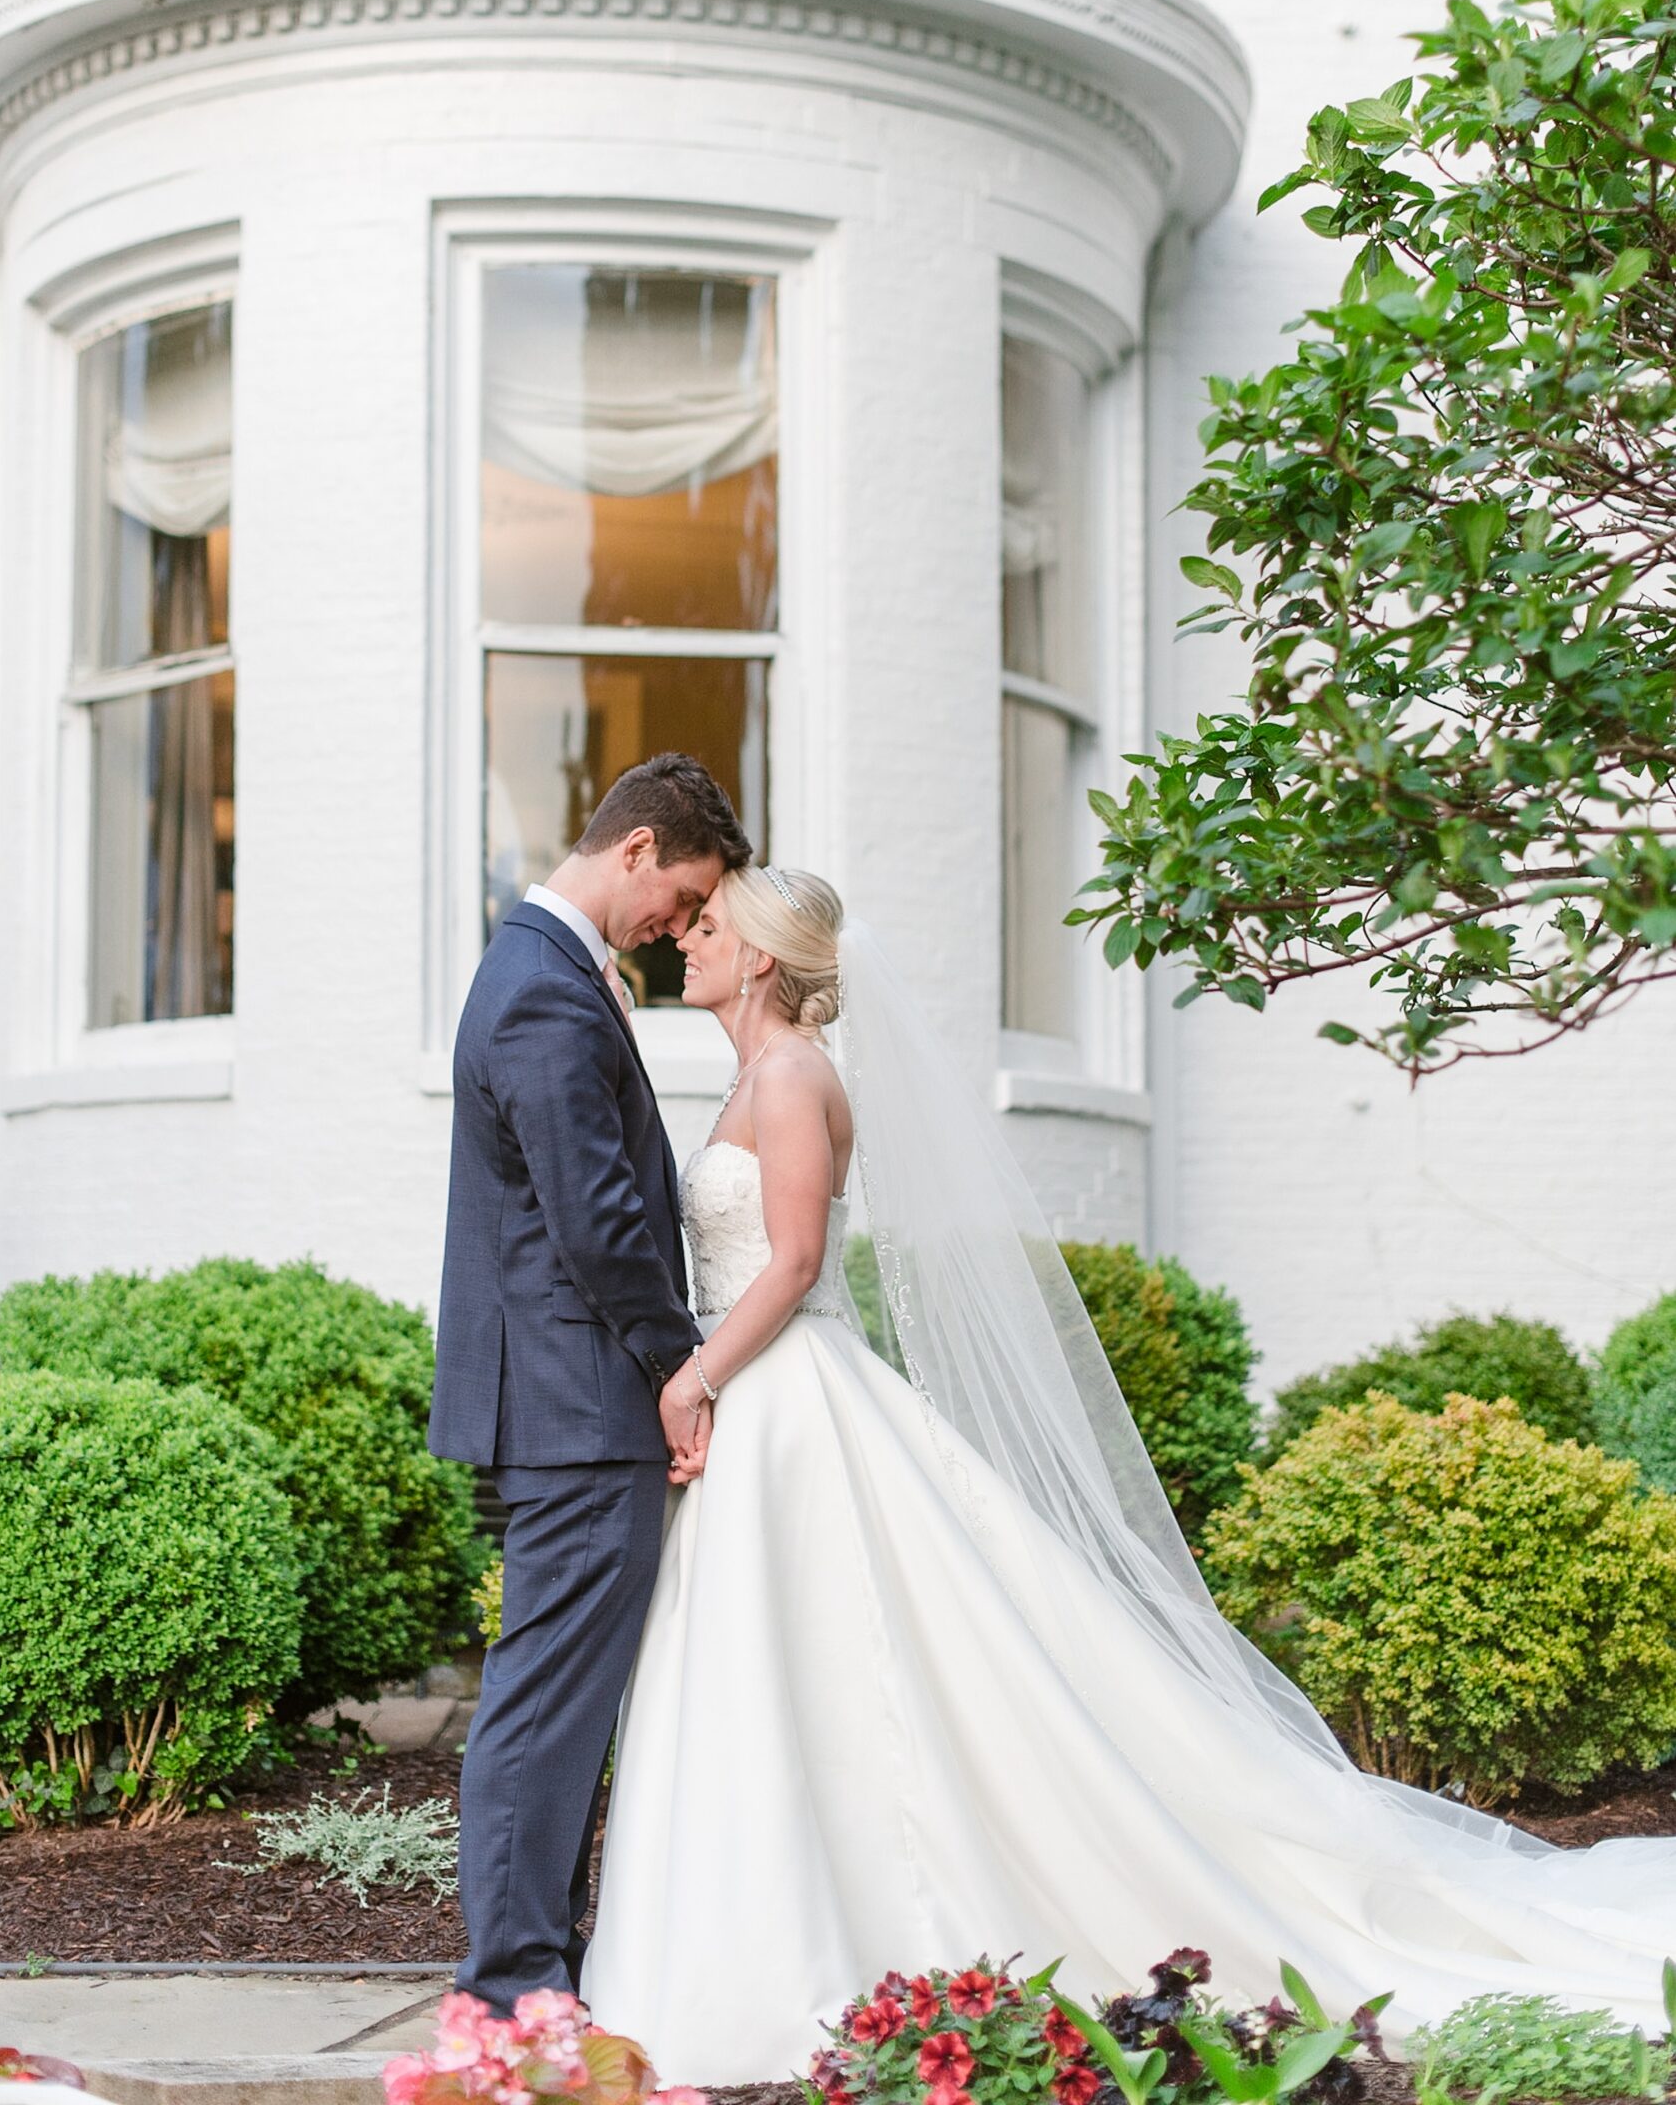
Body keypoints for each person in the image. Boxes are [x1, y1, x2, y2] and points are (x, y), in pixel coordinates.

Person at [582, 864, 1676, 2085]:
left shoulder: (788, 1077)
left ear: (765, 961)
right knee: (782, 1668)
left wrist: (692, 1378)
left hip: (785, 1393)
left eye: (711, 927)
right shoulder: (754, 1072)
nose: (689, 939)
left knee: (842, 1663)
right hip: (769, 1396)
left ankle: (811, 1944)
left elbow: (787, 1265)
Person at [428, 752, 751, 2017]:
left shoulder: (553, 972)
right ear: (636, 852)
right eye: (681, 896)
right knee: (548, 1689)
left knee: (558, 1684)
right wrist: (679, 1363)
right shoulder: (541, 993)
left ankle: (539, 1960)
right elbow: (599, 1216)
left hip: (567, 1394)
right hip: (577, 1400)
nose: (677, 927)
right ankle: (511, 1986)